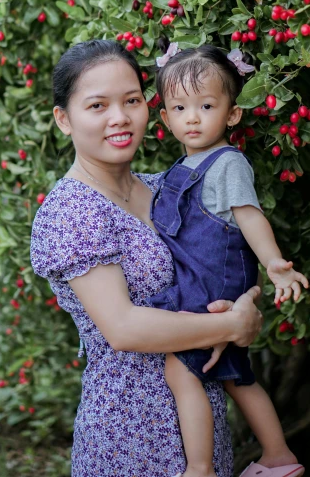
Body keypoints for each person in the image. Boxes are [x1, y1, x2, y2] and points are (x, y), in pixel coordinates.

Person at [30, 39, 263, 477]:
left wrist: (248, 300)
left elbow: (228, 258)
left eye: (131, 100)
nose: (119, 118)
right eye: (97, 105)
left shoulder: (167, 187)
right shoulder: (71, 211)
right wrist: (231, 325)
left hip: (204, 427)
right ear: (64, 119)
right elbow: (123, 328)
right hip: (130, 436)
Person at [148, 41, 309, 477]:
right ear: (165, 118)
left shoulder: (227, 164)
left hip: (212, 285)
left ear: (232, 114)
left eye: (205, 105)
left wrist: (273, 262)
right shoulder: (179, 168)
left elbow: (249, 216)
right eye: (179, 108)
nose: (193, 117)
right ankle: (278, 456)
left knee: (181, 372)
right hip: (205, 280)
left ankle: (199, 469)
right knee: (238, 375)